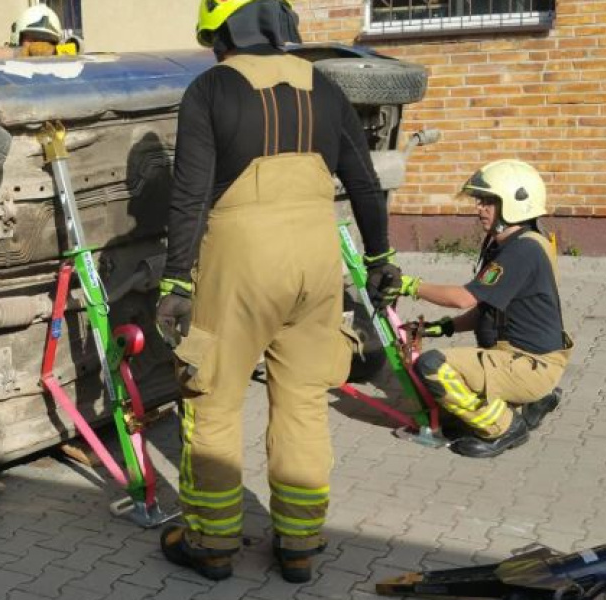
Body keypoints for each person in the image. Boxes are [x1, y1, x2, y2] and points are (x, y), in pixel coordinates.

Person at [155, 0, 402, 584]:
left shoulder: (210, 90)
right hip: (315, 261)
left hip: (239, 262)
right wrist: (379, 257)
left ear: (225, 31)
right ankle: (300, 545)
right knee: (303, 403)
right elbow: (365, 182)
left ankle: (212, 546)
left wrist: (175, 279)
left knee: (211, 399)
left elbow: (189, 194)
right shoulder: (325, 87)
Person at [392, 160, 571, 459]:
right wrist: (442, 327)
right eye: (480, 200)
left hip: (528, 364)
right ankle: (529, 404)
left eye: (489, 202)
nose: (479, 208)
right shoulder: (511, 243)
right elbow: (488, 310)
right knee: (447, 399)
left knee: (433, 367)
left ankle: (504, 427)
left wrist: (409, 285)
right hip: (520, 357)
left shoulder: (522, 250)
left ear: (515, 203)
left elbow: (464, 298)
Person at [0, 4, 67, 60]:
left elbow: (78, 53)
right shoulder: (7, 57)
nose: (40, 45)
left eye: (48, 41)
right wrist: (23, 52)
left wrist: (54, 52)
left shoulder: (60, 62)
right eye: (33, 39)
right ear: (18, 39)